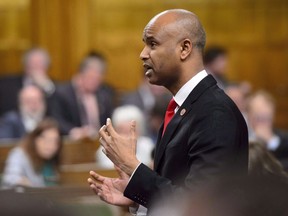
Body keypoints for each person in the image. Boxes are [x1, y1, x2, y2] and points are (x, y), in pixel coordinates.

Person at [88, 9, 248, 215]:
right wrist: (138, 198)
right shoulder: (183, 106)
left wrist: (132, 166)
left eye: (152, 44)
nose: (143, 53)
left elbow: (201, 206)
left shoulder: (215, 113)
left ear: (184, 48)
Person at [51, 52, 114, 140]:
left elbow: (109, 120)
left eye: (98, 79)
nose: (95, 82)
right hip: (72, 143)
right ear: (80, 74)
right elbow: (56, 120)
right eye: (91, 78)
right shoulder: (62, 93)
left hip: (99, 142)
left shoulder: (104, 95)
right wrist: (74, 131)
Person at [1, 118, 62, 188]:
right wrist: (24, 183)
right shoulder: (19, 154)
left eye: (55, 141)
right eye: (46, 140)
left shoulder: (51, 161)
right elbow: (11, 178)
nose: (51, 145)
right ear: (35, 139)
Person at [0, 48, 55, 116]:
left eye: (40, 63)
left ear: (47, 66)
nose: (36, 67)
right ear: (25, 65)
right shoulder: (6, 84)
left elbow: (56, 110)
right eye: (33, 63)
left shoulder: (53, 87)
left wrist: (47, 86)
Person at [247, 90, 288, 170]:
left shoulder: (284, 140)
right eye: (259, 118)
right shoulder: (241, 139)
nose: (263, 124)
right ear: (249, 115)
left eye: (266, 118)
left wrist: (270, 141)